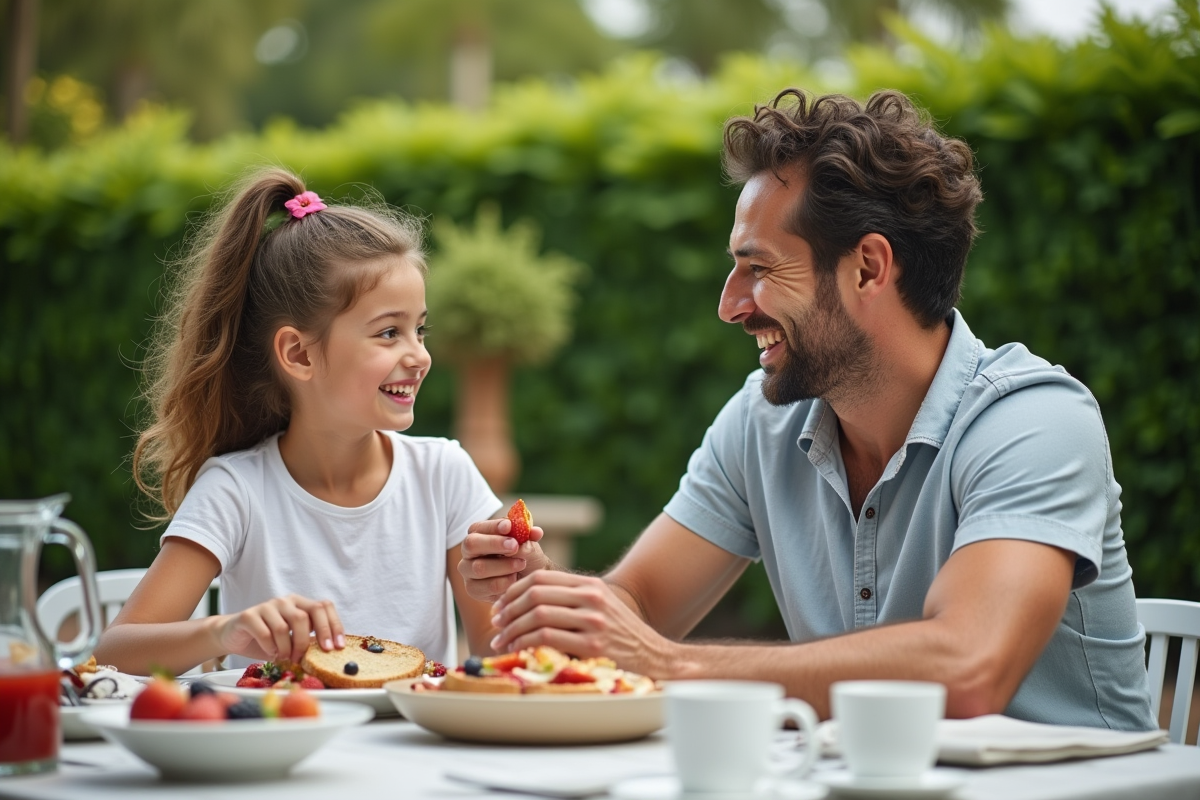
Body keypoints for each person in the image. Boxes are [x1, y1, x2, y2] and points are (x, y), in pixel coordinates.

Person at [459, 89, 1156, 730]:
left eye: (759, 269)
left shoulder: (1033, 422)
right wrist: (558, 601)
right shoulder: (763, 422)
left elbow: (967, 668)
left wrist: (674, 666)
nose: (729, 304)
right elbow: (637, 605)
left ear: (868, 269)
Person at [95, 169, 501, 676]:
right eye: (389, 332)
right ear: (298, 354)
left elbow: (499, 663)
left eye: (420, 330)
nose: (419, 355)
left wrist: (523, 584)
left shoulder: (445, 473)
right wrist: (226, 629)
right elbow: (115, 653)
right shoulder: (237, 490)